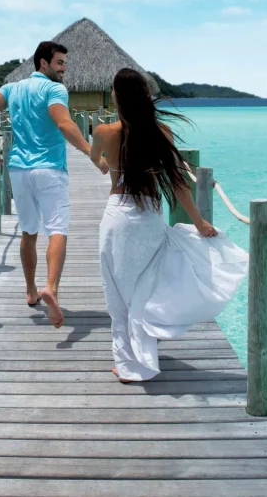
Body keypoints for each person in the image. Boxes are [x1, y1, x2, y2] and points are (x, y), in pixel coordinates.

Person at [90, 68, 249, 382]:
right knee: (143, 286)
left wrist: (106, 163)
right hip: (148, 217)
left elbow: (97, 159)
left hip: (117, 217)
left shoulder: (103, 132)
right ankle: (142, 350)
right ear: (145, 96)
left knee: (117, 291)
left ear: (117, 97)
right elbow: (178, 185)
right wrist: (199, 222)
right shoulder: (161, 132)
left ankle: (126, 362)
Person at [0, 40, 106, 327]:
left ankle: (30, 290)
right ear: (43, 63)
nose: (64, 68)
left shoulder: (13, 88)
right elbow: (64, 123)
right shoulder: (54, 89)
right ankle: (52, 288)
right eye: (59, 63)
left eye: (64, 63)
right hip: (49, 169)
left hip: (19, 171)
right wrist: (91, 154)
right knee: (57, 229)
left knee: (29, 232)